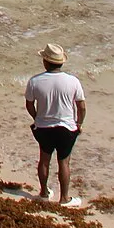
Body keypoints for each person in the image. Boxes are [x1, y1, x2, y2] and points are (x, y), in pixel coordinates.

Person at [25, 43, 87, 207]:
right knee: (64, 162)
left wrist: (37, 117)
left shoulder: (35, 81)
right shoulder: (73, 81)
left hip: (44, 128)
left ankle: (44, 193)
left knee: (44, 160)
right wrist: (79, 123)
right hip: (66, 127)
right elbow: (81, 106)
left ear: (45, 61)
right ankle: (64, 198)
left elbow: (29, 104)